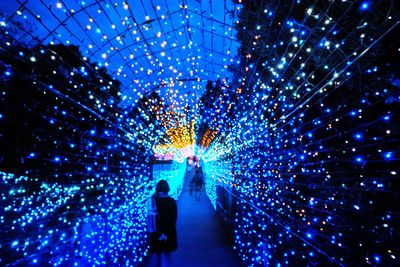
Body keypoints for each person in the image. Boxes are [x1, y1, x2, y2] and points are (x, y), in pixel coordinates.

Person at [149, 180, 177, 267]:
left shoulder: (152, 201)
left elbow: (150, 218)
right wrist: (165, 233)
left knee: (156, 254)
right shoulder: (171, 201)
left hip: (155, 232)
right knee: (166, 254)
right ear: (167, 188)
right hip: (168, 232)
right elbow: (174, 219)